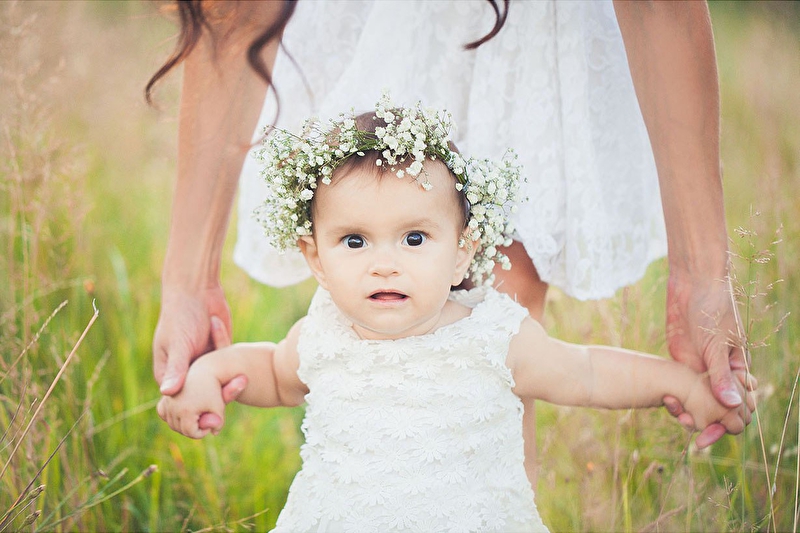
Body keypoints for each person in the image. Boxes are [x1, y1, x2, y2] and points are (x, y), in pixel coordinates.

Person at [149, 0, 749, 486]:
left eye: (414, 238)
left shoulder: (492, 335)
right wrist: (207, 375)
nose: (384, 264)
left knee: (514, 288)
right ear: (316, 259)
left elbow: (587, 373)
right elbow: (270, 373)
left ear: (465, 250)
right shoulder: (322, 336)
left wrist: (681, 385)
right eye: (354, 241)